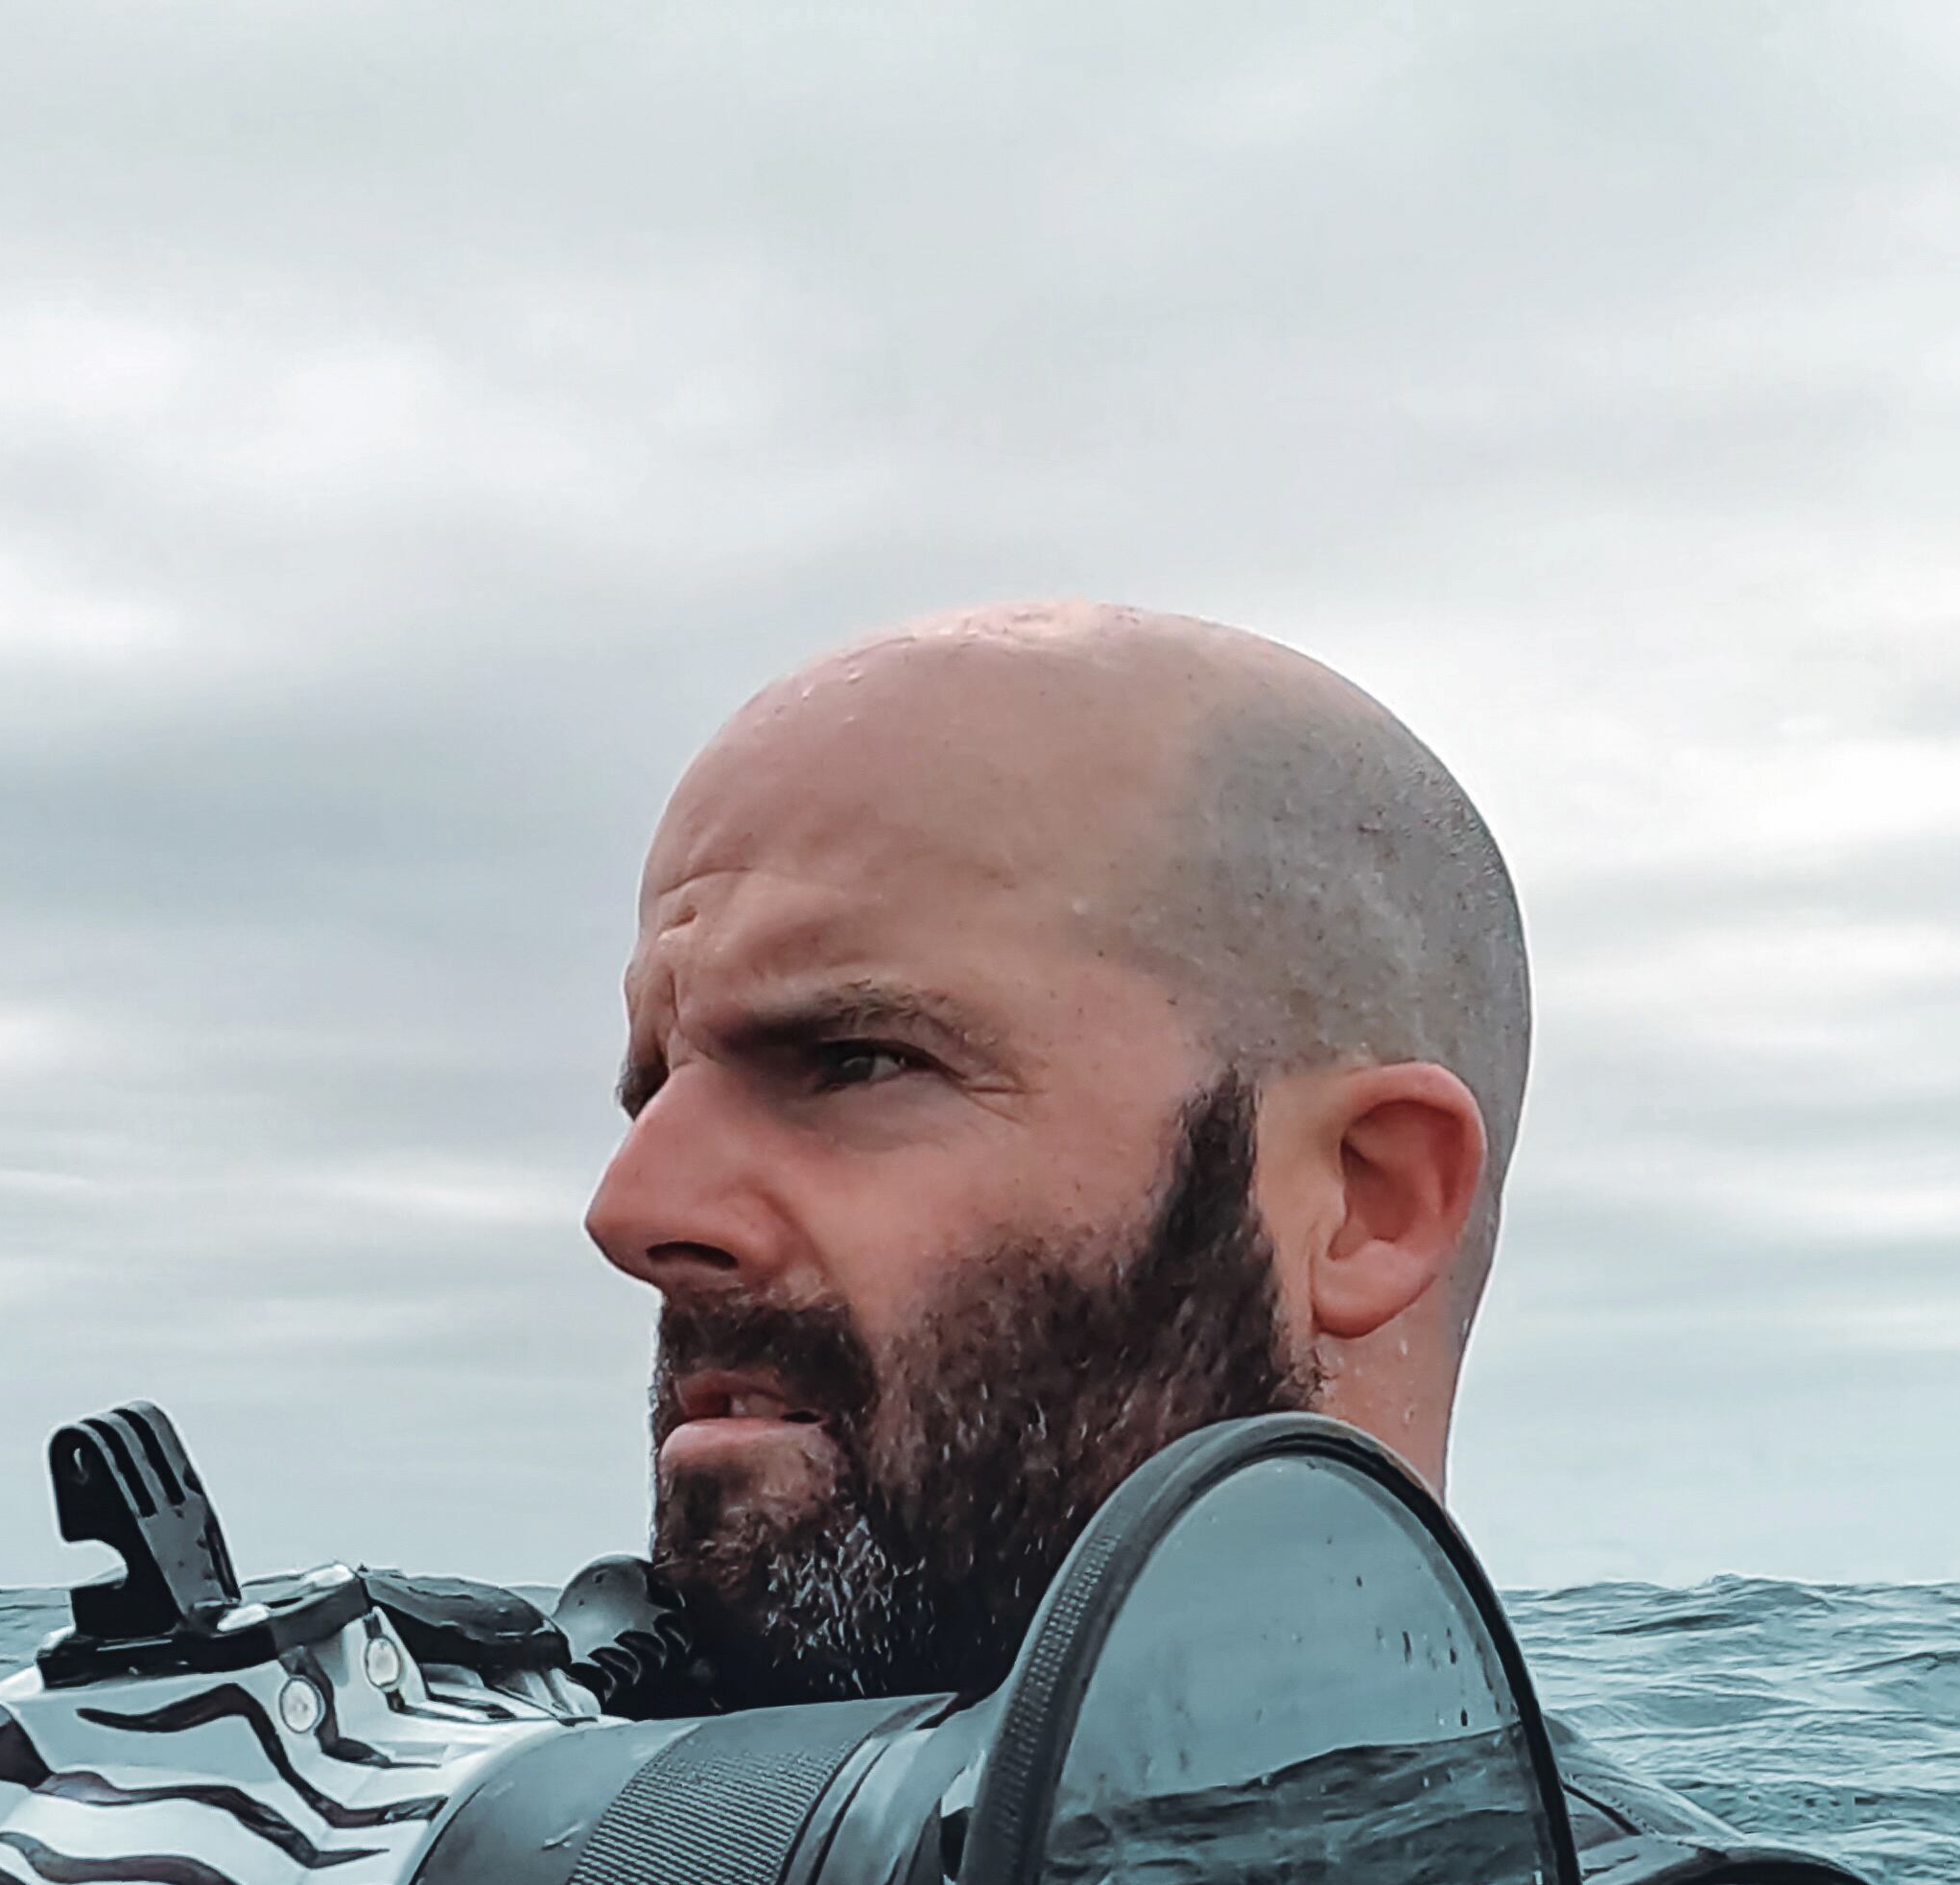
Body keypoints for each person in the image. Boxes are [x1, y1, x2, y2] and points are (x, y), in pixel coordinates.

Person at [583, 601, 1528, 1709]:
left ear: (1365, 1201)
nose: (630, 1208)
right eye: (651, 1093)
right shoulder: (444, 1831)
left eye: (855, 1061)